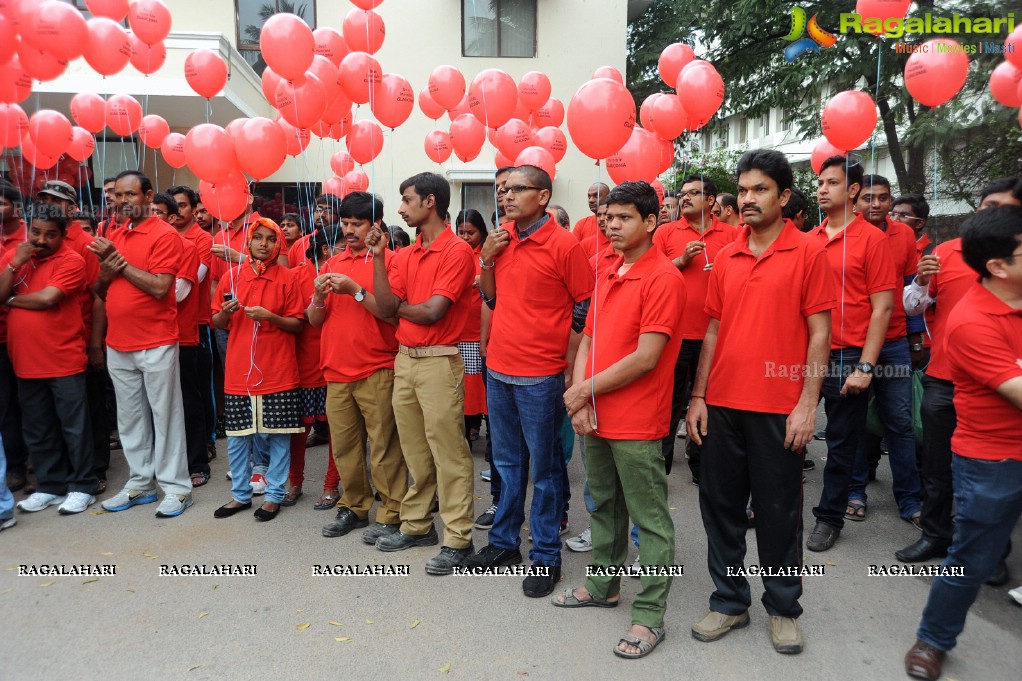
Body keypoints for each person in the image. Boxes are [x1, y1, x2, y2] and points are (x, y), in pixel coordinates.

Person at [687, 149, 836, 655]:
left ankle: (783, 607)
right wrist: (699, 396)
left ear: (784, 196)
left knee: (778, 512)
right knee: (721, 508)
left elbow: (821, 334)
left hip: (779, 407)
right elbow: (711, 327)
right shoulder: (726, 253)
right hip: (723, 404)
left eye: (760, 190)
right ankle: (729, 600)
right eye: (743, 190)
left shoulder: (810, 253)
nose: (748, 199)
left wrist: (806, 404)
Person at [552, 181, 685, 659]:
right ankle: (603, 585)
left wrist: (582, 390)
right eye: (608, 217)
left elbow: (647, 356)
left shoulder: (664, 277)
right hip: (596, 414)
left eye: (624, 217)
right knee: (604, 505)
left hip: (638, 420)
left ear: (651, 222)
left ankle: (649, 617)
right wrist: (582, 398)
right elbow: (588, 338)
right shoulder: (607, 268)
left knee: (650, 521)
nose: (611, 225)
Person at [903, 205, 1022, 681]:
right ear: (999, 266)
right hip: (994, 459)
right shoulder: (972, 321)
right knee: (970, 557)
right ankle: (933, 638)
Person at [469, 164, 594, 597]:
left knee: (545, 471)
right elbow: (491, 297)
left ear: (542, 197)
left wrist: (565, 356)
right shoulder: (501, 237)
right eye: (503, 190)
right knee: (505, 465)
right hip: (499, 370)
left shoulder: (563, 244)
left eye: (517, 189)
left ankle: (545, 556)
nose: (506, 196)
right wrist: (486, 256)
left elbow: (585, 303)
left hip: (540, 376)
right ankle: (503, 544)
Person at [367, 172, 477, 576]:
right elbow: (383, 305)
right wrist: (379, 258)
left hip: (439, 359)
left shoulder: (457, 251)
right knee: (414, 449)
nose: (400, 208)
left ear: (430, 202)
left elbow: (433, 312)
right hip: (406, 359)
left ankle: (458, 538)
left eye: (407, 200)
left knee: (449, 451)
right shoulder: (405, 255)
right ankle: (417, 526)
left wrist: (398, 307)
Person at [89, 171, 192, 518]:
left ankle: (177, 489)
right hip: (119, 341)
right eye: (117, 195)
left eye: (129, 195)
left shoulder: (165, 234)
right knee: (130, 419)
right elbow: (101, 289)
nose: (121, 201)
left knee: (166, 417)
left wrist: (119, 262)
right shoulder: (113, 233)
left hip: (157, 341)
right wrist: (108, 267)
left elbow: (162, 287)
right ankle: (140, 484)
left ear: (148, 196)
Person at [806, 156, 895, 552]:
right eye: (820, 183)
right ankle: (773, 506)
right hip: (806, 353)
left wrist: (865, 365)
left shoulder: (872, 240)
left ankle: (829, 517)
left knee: (842, 443)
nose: (822, 189)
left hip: (848, 355)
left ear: (854, 190)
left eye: (832, 183)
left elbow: (883, 308)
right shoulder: (809, 238)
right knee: (790, 434)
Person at [309, 192, 409, 541]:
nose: (349, 230)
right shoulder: (332, 263)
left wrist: (353, 290)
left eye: (357, 223)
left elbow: (388, 312)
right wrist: (319, 299)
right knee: (344, 448)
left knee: (384, 448)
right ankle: (353, 506)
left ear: (375, 224)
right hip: (335, 370)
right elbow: (313, 320)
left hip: (378, 368)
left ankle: (393, 510)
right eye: (345, 223)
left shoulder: (391, 261)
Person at [0, 204, 95, 515]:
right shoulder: (18, 258)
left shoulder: (72, 259)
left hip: (63, 359)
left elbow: (48, 298)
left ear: (63, 235)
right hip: (25, 361)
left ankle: (83, 486)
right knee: (37, 429)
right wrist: (14, 266)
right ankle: (50, 486)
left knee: (74, 428)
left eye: (50, 235)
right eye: (36, 232)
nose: (41, 240)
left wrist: (12, 300)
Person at [211, 218, 304, 522]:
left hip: (278, 369)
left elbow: (297, 324)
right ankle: (240, 495)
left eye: (270, 239)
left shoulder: (288, 278)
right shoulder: (231, 278)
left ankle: (274, 495)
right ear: (248, 242)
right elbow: (217, 322)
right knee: (238, 438)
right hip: (240, 372)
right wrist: (223, 315)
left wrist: (270, 317)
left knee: (278, 436)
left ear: (279, 244)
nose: (263, 244)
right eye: (258, 238)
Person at [845, 175, 922, 525]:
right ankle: (855, 492)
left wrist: (915, 335)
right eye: (868, 198)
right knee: (855, 423)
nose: (875, 204)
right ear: (855, 201)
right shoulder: (845, 235)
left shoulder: (905, 235)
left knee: (900, 424)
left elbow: (910, 290)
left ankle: (910, 499)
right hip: (854, 343)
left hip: (894, 344)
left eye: (883, 198)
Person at [653, 175, 738, 484]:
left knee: (711, 401)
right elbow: (650, 273)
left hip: (716, 335)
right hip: (674, 333)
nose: (685, 197)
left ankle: (702, 467)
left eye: (693, 193)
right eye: (683, 193)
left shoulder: (732, 234)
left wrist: (725, 271)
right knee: (669, 402)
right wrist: (680, 260)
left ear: (711, 201)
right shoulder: (665, 232)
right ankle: (659, 469)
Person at [152, 193, 208, 489]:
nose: (152, 217)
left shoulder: (186, 247)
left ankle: (197, 462)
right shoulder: (138, 246)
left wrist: (139, 285)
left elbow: (175, 292)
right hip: (146, 337)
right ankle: (162, 464)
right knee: (156, 405)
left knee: (187, 402)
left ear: (172, 218)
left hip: (181, 336)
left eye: (159, 213)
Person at [285, 229, 342, 510]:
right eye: (341, 246)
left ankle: (331, 485)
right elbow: (297, 319)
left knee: (338, 430)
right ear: (325, 250)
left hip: (338, 362)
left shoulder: (347, 275)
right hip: (306, 364)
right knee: (299, 430)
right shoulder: (296, 276)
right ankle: (294, 482)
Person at [168, 185, 216, 462]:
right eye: (172, 207)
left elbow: (194, 278)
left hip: (196, 321)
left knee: (199, 386)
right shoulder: (164, 237)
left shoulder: (201, 239)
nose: (177, 212)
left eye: (183, 206)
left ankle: (208, 440)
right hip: (167, 324)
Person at [0, 183, 28, 493]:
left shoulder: (29, 239)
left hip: (16, 335)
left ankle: (19, 466)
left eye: (1, 203)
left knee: (17, 405)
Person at [454, 209, 489, 445]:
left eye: (471, 232)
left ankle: (483, 429)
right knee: (464, 384)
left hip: (482, 331)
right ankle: (466, 429)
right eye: (461, 232)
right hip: (460, 329)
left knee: (481, 386)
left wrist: (481, 280)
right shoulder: (454, 253)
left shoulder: (486, 253)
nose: (466, 237)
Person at [891, 193, 932, 369]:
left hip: (926, 340)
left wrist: (916, 341)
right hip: (892, 336)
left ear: (920, 223)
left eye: (903, 215)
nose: (895, 219)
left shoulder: (932, 254)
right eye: (892, 214)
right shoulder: (884, 247)